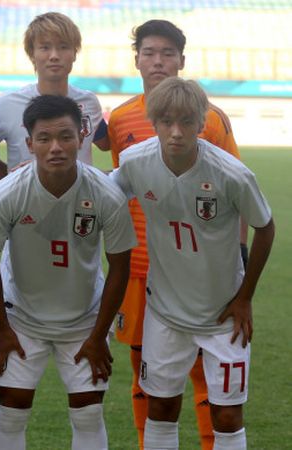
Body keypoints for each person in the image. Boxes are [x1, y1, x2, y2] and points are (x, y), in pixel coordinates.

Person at [111, 77, 274, 450]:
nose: (176, 132)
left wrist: (245, 297)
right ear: (154, 122)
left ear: (202, 124)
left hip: (223, 315)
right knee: (162, 407)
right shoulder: (137, 163)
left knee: (227, 415)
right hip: (165, 312)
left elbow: (265, 228)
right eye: (166, 121)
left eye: (186, 121)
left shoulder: (232, 174)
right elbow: (108, 194)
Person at [105, 20, 244, 450]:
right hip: (141, 266)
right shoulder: (121, 119)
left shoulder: (211, 119)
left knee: (207, 372)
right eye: (150, 52)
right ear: (137, 60)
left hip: (202, 270)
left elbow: (237, 196)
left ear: (182, 60)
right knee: (145, 373)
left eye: (168, 53)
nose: (158, 61)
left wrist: (236, 261)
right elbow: (117, 189)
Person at [0, 95, 135, 450]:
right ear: (29, 143)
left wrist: (98, 334)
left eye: (65, 136)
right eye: (44, 138)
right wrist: (2, 328)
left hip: (83, 320)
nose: (56, 147)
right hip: (21, 318)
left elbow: (120, 265)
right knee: (12, 410)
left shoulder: (106, 194)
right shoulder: (6, 194)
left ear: (82, 136)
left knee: (88, 413)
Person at [0, 12, 108, 176]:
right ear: (32, 54)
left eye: (63, 47)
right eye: (45, 47)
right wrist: (14, 182)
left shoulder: (89, 102)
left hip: (80, 201)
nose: (54, 56)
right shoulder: (6, 104)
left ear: (74, 53)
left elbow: (106, 143)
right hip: (27, 202)